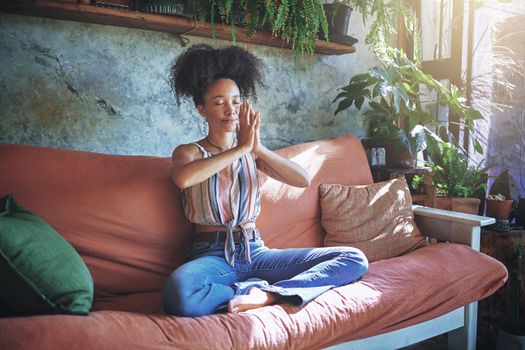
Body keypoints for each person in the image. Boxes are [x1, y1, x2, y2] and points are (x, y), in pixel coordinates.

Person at [162, 44, 368, 317]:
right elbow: (183, 179)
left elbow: (302, 179)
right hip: (211, 256)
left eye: (236, 101)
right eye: (219, 102)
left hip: (256, 252)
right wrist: (241, 149)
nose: (230, 109)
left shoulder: (252, 153)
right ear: (201, 109)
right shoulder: (189, 152)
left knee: (353, 258)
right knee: (178, 293)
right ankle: (244, 290)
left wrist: (256, 149)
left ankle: (269, 294)